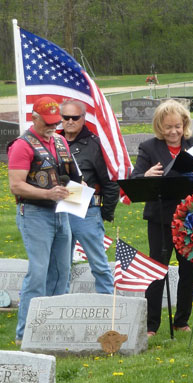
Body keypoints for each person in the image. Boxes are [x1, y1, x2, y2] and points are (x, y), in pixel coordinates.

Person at [131, 99, 193, 336]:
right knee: (157, 268)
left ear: (184, 124)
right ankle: (152, 325)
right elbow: (135, 179)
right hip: (160, 218)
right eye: (168, 127)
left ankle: (181, 321)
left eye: (178, 126)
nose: (174, 131)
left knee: (189, 268)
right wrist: (146, 175)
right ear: (159, 126)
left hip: (190, 218)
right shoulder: (149, 148)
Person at [8, 96, 81, 343]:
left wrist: (80, 192)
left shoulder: (60, 141)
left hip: (62, 212)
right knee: (38, 273)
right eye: (47, 122)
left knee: (62, 271)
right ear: (34, 118)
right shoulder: (21, 145)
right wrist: (47, 194)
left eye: (55, 122)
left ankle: (53, 328)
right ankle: (25, 334)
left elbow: (69, 176)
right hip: (35, 213)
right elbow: (16, 186)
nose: (52, 127)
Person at [59, 99, 119, 294]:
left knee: (98, 263)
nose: (69, 121)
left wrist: (104, 213)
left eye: (74, 117)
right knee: (60, 264)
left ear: (83, 118)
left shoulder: (94, 144)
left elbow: (110, 181)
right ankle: (59, 305)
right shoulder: (54, 142)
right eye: (65, 117)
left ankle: (107, 303)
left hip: (87, 208)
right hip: (59, 208)